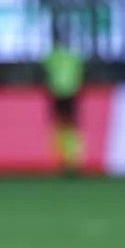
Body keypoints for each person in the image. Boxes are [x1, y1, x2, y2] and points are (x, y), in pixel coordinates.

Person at [43, 31, 86, 177]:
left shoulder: (53, 56)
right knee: (69, 128)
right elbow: (81, 75)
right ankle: (71, 161)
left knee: (61, 128)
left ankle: (65, 161)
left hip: (59, 94)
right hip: (69, 94)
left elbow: (45, 73)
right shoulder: (74, 57)